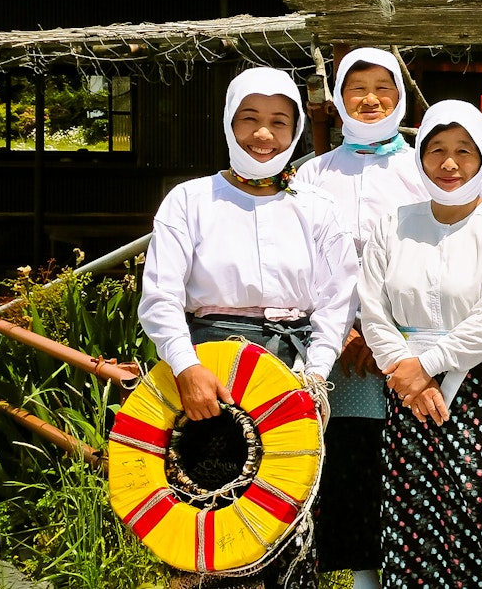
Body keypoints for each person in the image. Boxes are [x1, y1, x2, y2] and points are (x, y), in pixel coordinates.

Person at [139, 67, 359, 588]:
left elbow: (337, 299)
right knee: (207, 502)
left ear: (296, 130)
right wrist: (186, 367)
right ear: (228, 122)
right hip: (209, 372)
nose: (264, 134)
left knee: (288, 509)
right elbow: (160, 297)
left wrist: (315, 375)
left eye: (279, 122)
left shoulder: (320, 209)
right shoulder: (191, 201)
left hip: (294, 368)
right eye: (250, 119)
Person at [358, 100, 482, 588]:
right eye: (436, 149)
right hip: (404, 393)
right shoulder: (394, 223)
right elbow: (373, 309)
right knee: (412, 510)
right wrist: (405, 371)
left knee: (475, 511)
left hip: (476, 391)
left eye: (464, 150)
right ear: (420, 156)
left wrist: (426, 366)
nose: (449, 164)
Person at [295, 47, 428, 589]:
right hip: (332, 341)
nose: (370, 100)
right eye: (358, 88)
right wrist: (341, 331)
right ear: (340, 98)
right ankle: (354, 576)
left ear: (400, 95)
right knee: (348, 460)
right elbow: (301, 261)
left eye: (383, 88)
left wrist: (385, 336)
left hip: (406, 341)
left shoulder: (422, 165)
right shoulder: (312, 173)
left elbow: (431, 253)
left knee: (401, 465)